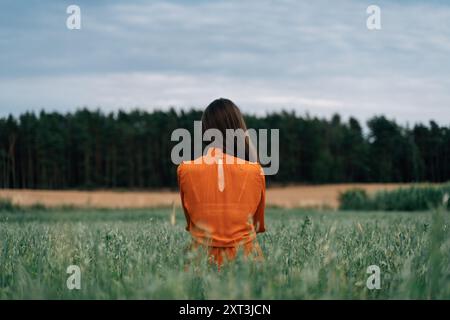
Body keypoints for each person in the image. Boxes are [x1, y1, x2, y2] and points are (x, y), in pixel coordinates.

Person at [177, 98, 266, 269]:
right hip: (247, 265)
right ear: (239, 130)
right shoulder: (255, 171)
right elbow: (257, 225)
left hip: (199, 264)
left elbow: (191, 224)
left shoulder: (185, 170)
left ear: (205, 130)